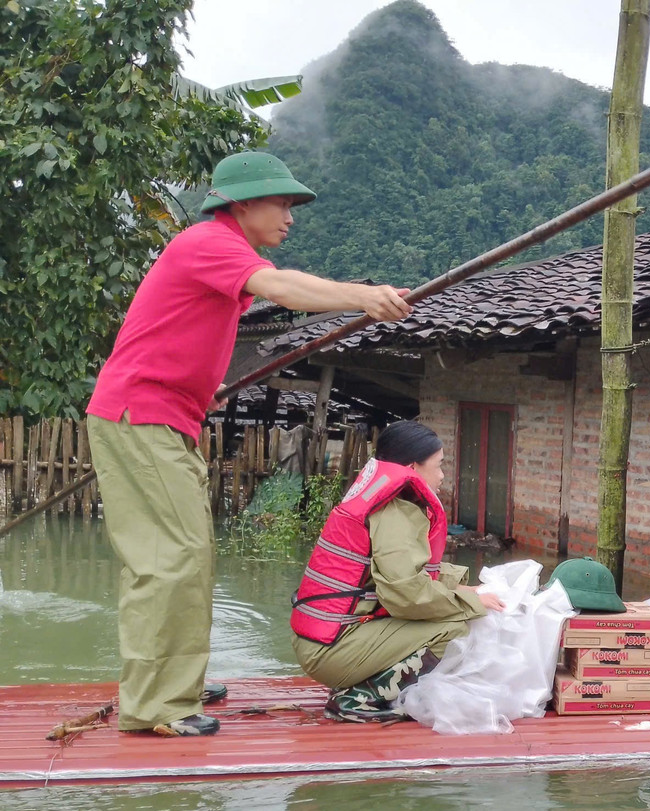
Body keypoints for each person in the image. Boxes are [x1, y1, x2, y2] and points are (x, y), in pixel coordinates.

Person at [86, 150, 415, 736]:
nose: (290, 216)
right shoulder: (208, 241)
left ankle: (172, 679)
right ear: (240, 204)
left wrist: (201, 388)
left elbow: (182, 332)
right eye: (281, 203)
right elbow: (283, 288)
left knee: (184, 555)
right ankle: (157, 703)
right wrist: (363, 295)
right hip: (142, 414)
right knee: (169, 560)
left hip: (166, 413)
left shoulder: (220, 252)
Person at [290, 421, 505, 722]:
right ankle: (361, 699)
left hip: (322, 641)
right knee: (456, 628)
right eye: (439, 466)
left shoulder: (380, 499)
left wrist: (458, 588)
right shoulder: (395, 511)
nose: (442, 475)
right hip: (332, 650)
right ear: (413, 466)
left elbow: (396, 574)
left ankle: (363, 686)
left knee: (458, 610)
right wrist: (469, 604)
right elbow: (405, 594)